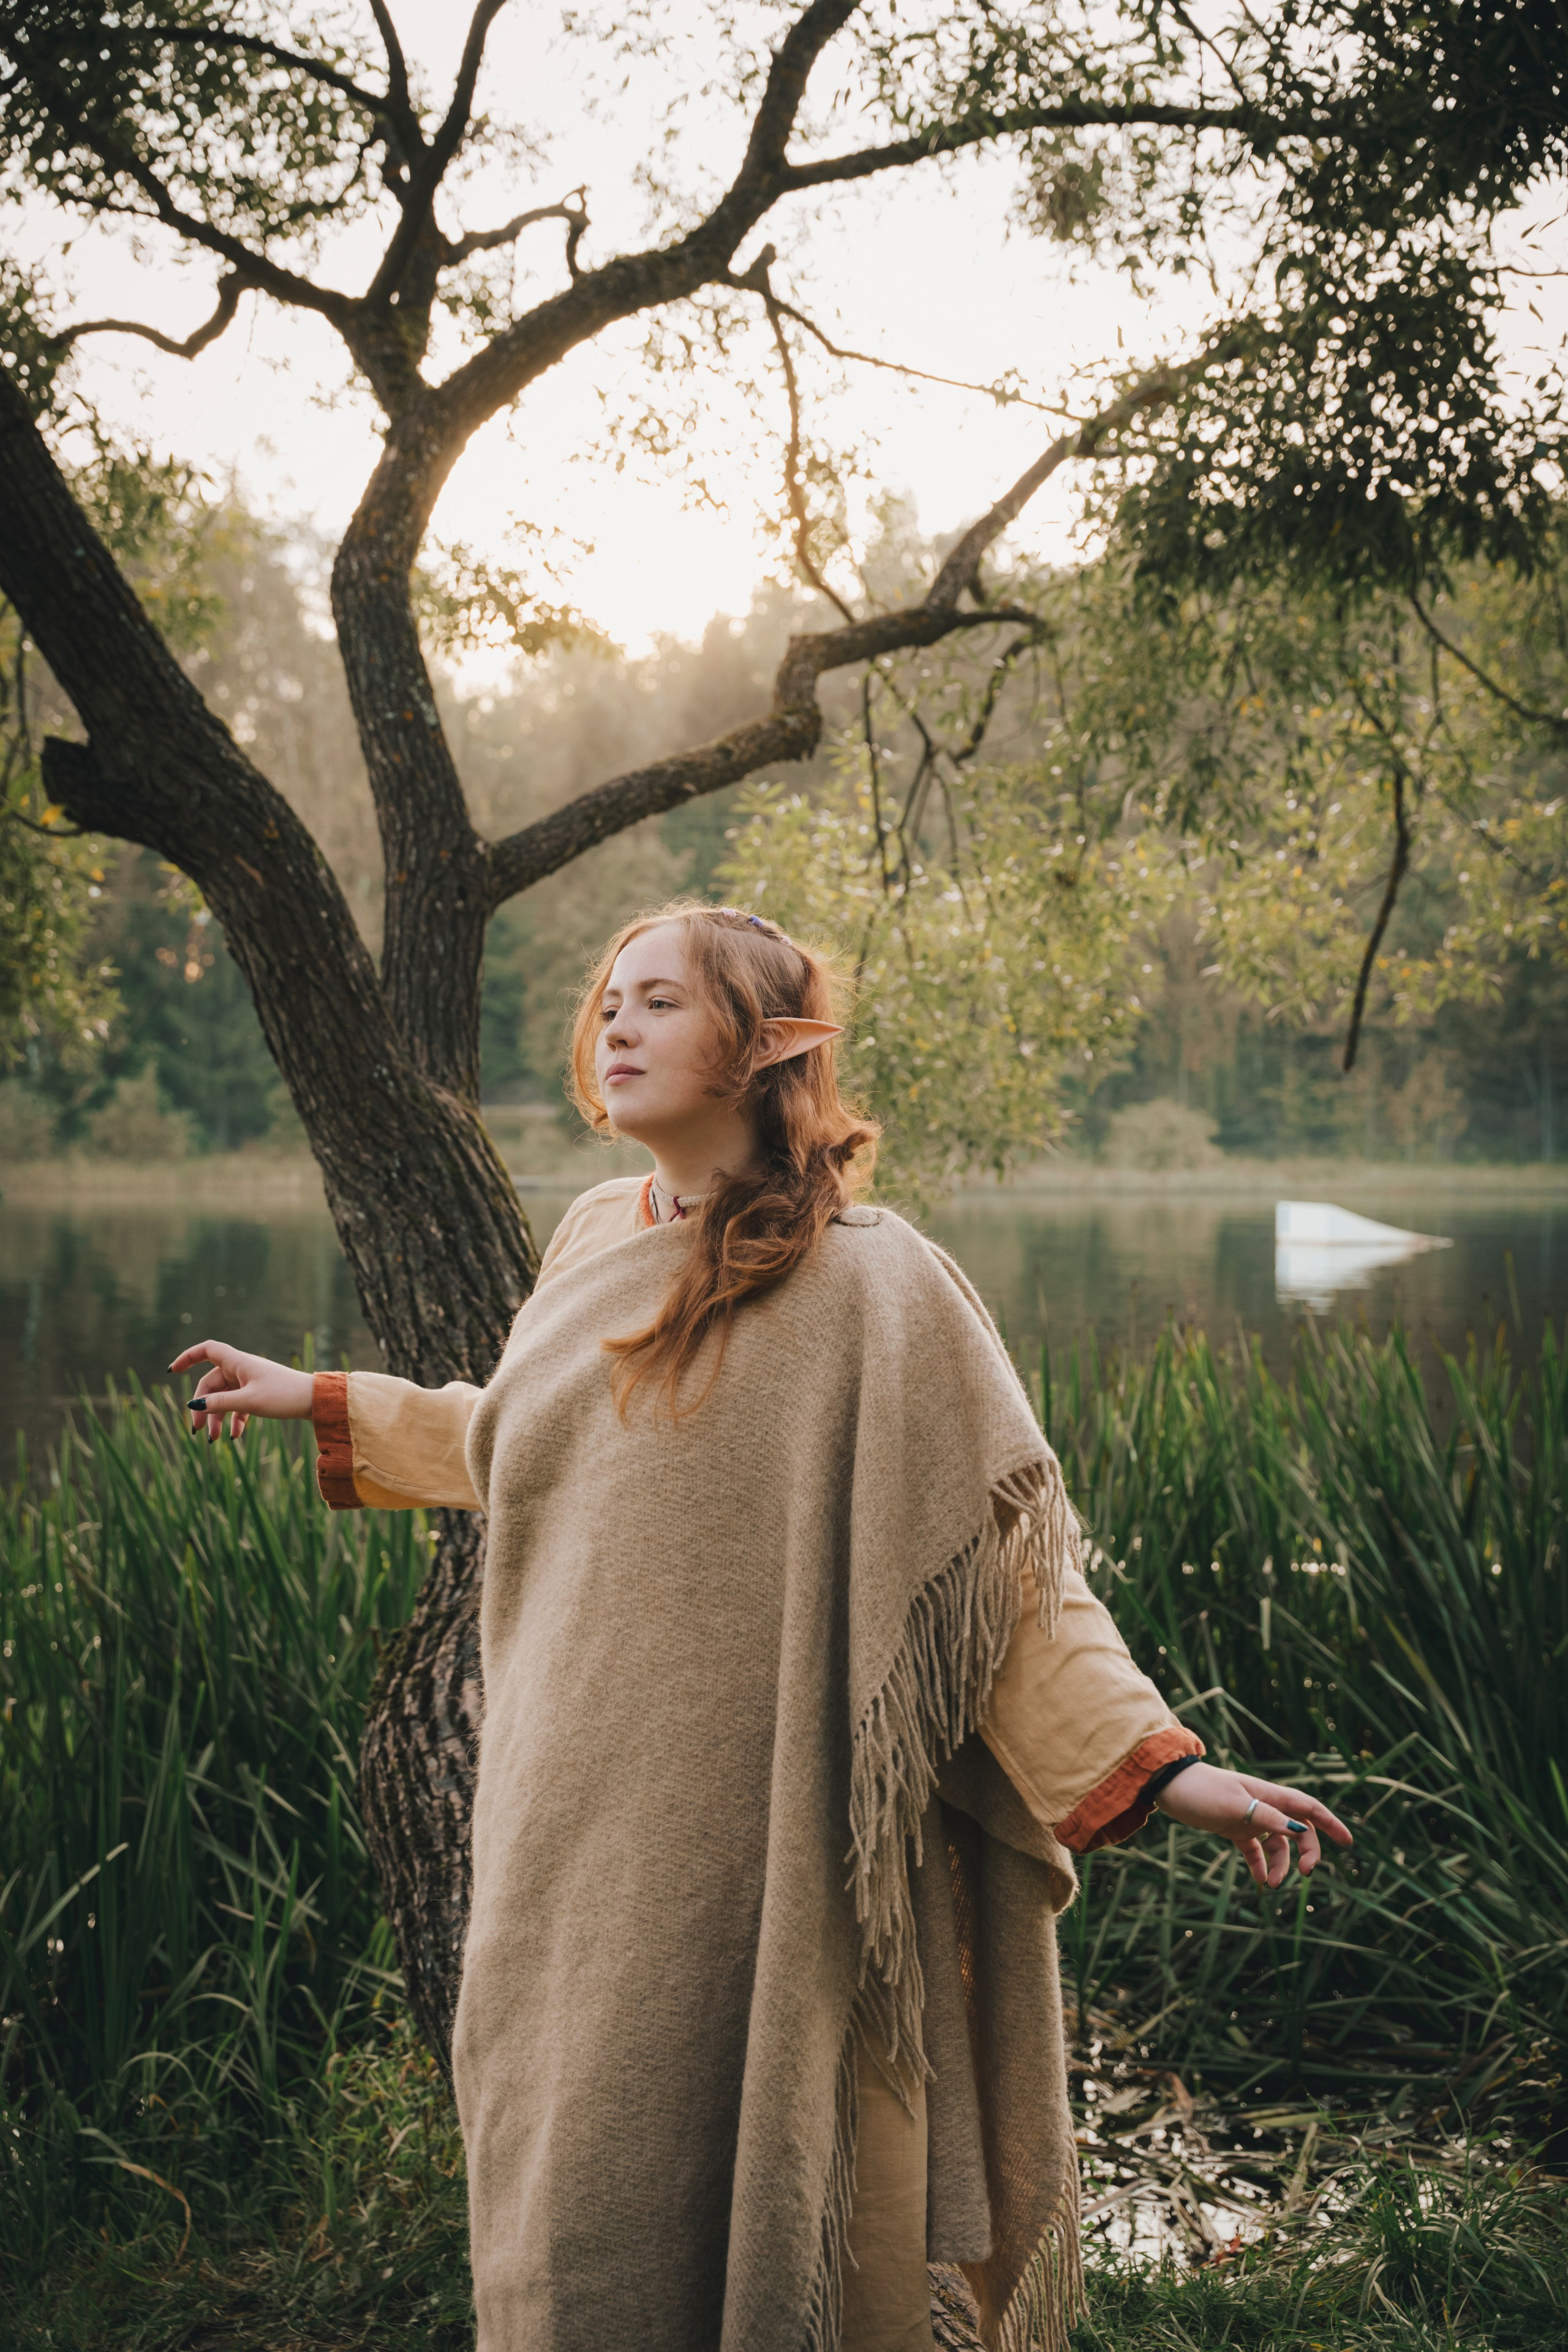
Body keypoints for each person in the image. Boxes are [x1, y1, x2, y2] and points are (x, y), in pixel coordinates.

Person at [172, 901, 1350, 2352]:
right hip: (561, 1829)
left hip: (765, 1838)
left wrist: (1166, 1772)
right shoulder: (594, 1234)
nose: (616, 1025)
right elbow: (536, 1442)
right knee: (567, 2211)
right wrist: (324, 1396)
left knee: (776, 2202)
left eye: (661, 1002)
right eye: (610, 1000)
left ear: (764, 1046)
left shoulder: (874, 1282)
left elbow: (996, 1573)